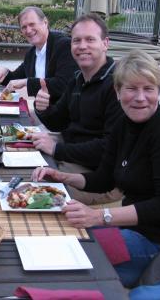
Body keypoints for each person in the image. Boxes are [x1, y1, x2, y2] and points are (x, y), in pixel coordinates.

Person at [32, 50, 160, 288]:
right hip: (131, 227)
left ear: (158, 92)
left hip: (159, 243)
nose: (140, 97)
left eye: (149, 89)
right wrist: (61, 176)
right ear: (118, 91)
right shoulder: (123, 123)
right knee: (51, 234)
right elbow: (104, 179)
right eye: (131, 88)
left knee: (67, 254)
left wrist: (99, 216)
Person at [29, 14, 123, 204]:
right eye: (76, 40)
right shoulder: (78, 78)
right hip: (73, 156)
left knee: (35, 194)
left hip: (99, 176)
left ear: (105, 43)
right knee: (21, 155)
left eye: (90, 40)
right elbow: (58, 121)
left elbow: (108, 148)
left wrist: (57, 149)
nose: (82, 46)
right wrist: (43, 109)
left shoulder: (118, 85)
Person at [0, 6, 77, 103]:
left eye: (32, 24)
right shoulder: (31, 53)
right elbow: (15, 79)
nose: (28, 30)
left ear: (45, 22)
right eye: (24, 27)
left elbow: (63, 84)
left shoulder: (63, 45)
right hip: (42, 113)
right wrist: (4, 71)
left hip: (62, 115)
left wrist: (27, 82)